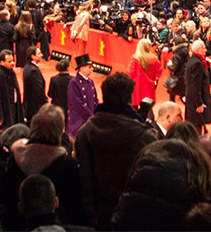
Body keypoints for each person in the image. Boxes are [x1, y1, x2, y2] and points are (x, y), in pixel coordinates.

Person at [75, 73, 157, 229]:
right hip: (132, 214)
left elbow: (85, 175)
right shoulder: (143, 135)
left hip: (96, 213)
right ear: (129, 98)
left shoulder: (85, 132)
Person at [0, 50, 24, 129]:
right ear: (2, 62)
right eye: (9, 61)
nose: (12, 63)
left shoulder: (12, 73)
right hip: (4, 113)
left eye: (13, 61)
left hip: (14, 108)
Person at [185, 40, 211, 134]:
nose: (206, 50)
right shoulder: (197, 63)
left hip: (193, 99)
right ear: (198, 50)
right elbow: (195, 85)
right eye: (203, 48)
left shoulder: (194, 60)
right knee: (196, 127)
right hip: (196, 101)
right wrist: (199, 103)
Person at [66, 54, 97, 138]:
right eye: (89, 67)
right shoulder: (74, 82)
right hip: (78, 119)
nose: (92, 69)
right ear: (82, 68)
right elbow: (77, 103)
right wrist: (89, 115)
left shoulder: (91, 82)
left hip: (89, 118)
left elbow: (95, 100)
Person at [128, 38, 163, 108]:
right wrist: (155, 78)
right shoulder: (154, 58)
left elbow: (131, 72)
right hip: (149, 85)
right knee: (148, 105)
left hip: (137, 85)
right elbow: (159, 69)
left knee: (134, 105)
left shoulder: (135, 58)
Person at [22, 46, 47, 124]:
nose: (41, 55)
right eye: (39, 53)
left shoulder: (27, 67)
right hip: (35, 105)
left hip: (29, 103)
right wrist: (45, 102)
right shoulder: (33, 71)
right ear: (32, 56)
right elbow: (38, 89)